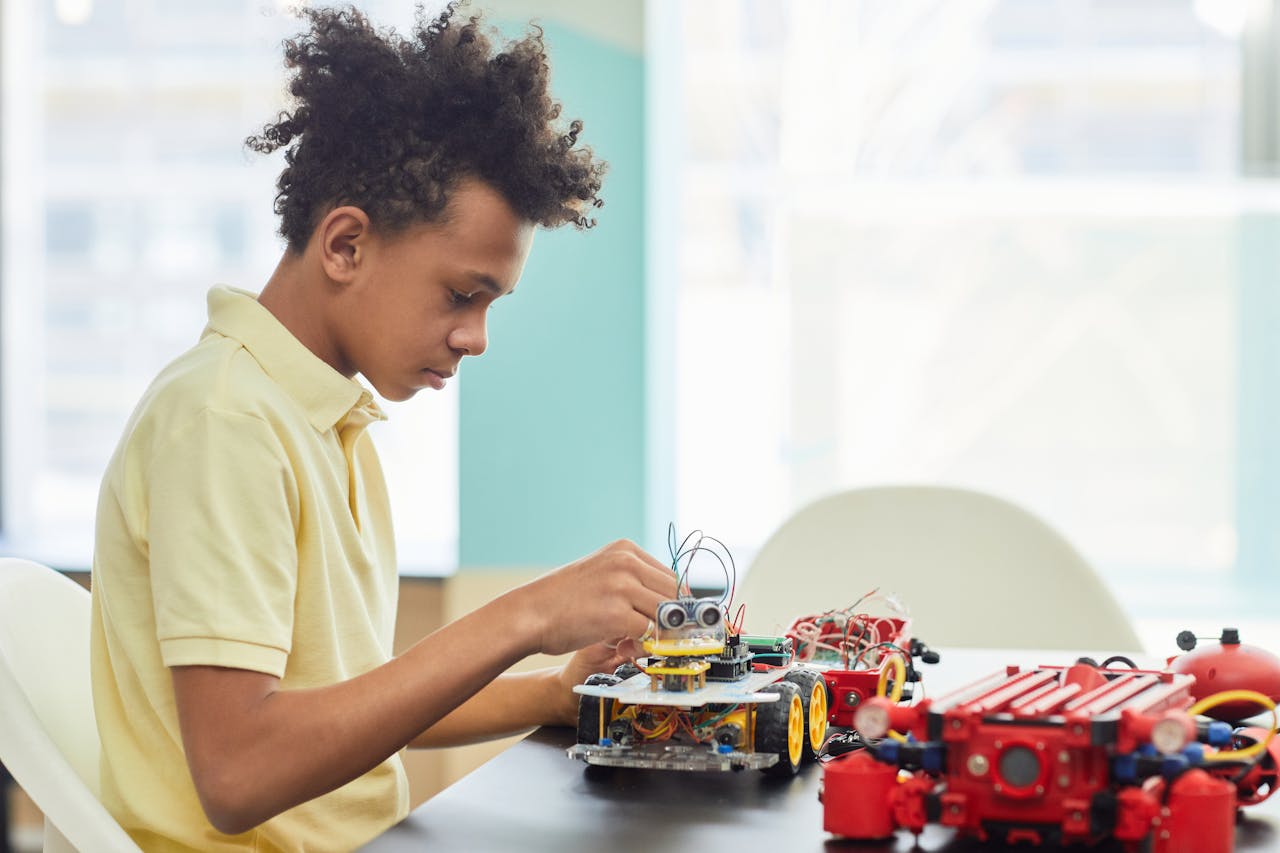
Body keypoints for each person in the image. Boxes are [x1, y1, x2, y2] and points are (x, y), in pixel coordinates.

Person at [88, 4, 676, 850]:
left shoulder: (323, 414)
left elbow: (354, 698)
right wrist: (523, 615)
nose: (476, 337)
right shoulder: (223, 419)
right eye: (461, 294)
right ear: (345, 247)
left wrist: (555, 688)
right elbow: (238, 772)